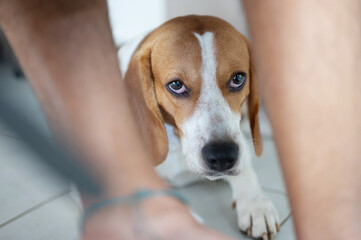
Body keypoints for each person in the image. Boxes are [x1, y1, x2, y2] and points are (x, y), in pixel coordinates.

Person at [0, 0, 360, 239]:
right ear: (150, 87)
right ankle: (131, 204)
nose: (220, 138)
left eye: (235, 81)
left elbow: (232, 141)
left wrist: (250, 191)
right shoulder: (131, 86)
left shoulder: (234, 94)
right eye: (178, 87)